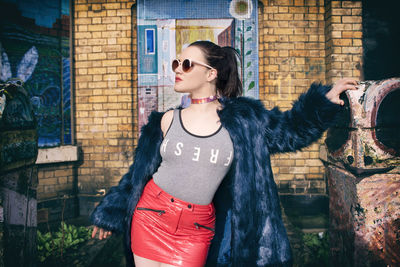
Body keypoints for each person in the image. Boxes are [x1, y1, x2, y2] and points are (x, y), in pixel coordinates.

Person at [90, 40, 358, 267]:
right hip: (150, 217)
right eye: (176, 63)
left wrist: (324, 100)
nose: (177, 70)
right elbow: (137, 176)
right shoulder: (166, 120)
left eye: (186, 64)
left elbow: (290, 130)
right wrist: (110, 212)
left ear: (211, 74)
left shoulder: (245, 121)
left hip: (196, 230)